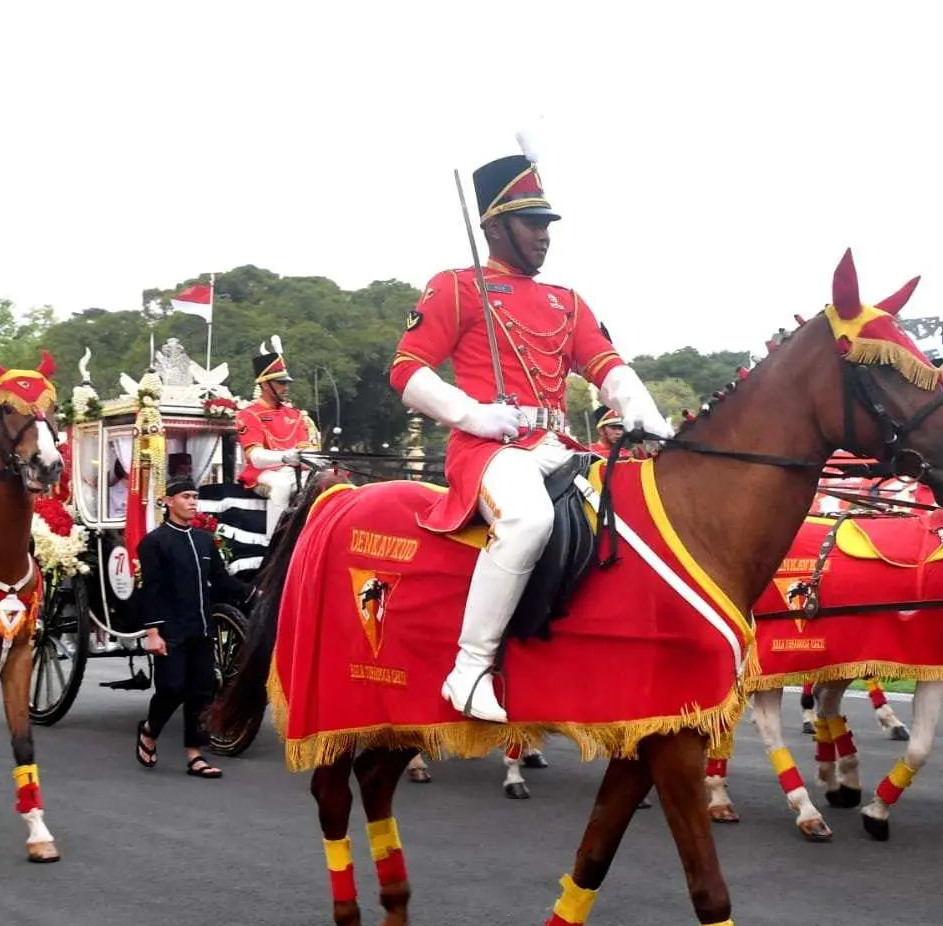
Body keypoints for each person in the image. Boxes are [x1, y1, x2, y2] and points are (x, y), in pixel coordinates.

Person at [388, 149, 673, 721]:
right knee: (528, 520)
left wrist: (649, 416)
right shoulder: (457, 286)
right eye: (531, 223)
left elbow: (609, 369)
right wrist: (473, 415)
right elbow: (407, 371)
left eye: (546, 225)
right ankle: (469, 669)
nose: (544, 237)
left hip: (559, 448)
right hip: (489, 451)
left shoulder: (567, 300)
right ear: (495, 226)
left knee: (638, 517)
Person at [135, 476, 250, 775]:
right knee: (171, 688)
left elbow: (222, 581)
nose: (192, 502)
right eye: (186, 496)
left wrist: (255, 593)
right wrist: (153, 633)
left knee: (201, 690)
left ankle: (194, 755)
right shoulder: (154, 542)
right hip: (170, 630)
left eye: (194, 496)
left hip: (201, 628)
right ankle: (149, 730)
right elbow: (152, 590)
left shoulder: (203, 540)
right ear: (169, 501)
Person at [234, 336, 319, 540]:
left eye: (285, 382)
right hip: (262, 473)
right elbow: (254, 457)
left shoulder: (296, 415)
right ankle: (274, 541)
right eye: (280, 383)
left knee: (324, 481)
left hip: (294, 469)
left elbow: (305, 448)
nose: (285, 387)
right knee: (280, 485)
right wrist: (285, 458)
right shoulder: (249, 414)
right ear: (265, 384)